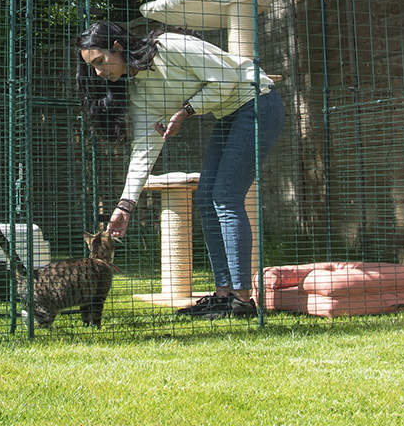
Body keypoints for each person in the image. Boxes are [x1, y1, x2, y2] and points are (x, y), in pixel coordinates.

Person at [76, 20, 284, 319]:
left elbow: (226, 77)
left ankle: (242, 300)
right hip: (229, 114)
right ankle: (223, 296)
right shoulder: (139, 89)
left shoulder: (170, 46)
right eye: (92, 66)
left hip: (258, 102)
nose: (98, 72)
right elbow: (146, 147)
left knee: (225, 195)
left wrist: (187, 110)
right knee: (206, 198)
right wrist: (125, 205)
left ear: (117, 48)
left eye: (100, 61)